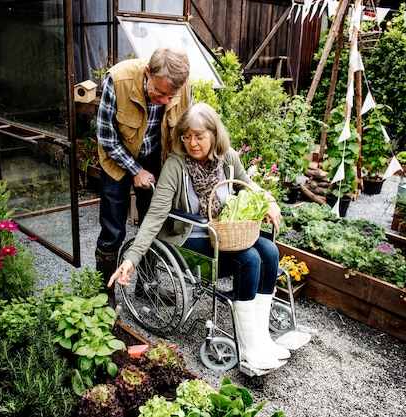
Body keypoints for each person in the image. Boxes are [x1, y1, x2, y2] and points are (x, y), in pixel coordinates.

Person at [108, 103, 289, 370]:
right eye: (187, 136)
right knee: (249, 259)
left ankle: (261, 338)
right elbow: (156, 215)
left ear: (214, 135)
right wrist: (132, 258)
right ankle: (249, 347)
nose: (192, 143)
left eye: (199, 136)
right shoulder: (175, 165)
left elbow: (249, 185)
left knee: (271, 252)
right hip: (189, 240)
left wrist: (269, 199)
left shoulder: (227, 158)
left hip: (224, 235)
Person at [94, 45, 192, 308]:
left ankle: (147, 286)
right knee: (113, 229)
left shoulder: (180, 88)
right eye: (160, 93)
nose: (166, 100)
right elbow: (106, 138)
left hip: (156, 157)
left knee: (154, 224)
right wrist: (135, 169)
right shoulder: (117, 80)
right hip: (117, 157)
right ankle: (104, 294)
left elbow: (185, 131)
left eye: (172, 95)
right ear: (148, 72)